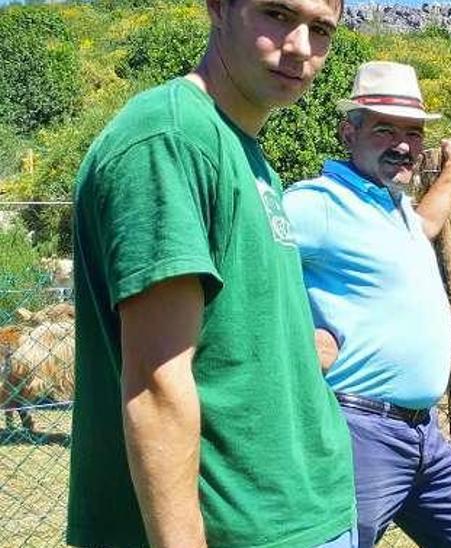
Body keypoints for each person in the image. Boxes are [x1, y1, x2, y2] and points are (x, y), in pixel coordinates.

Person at [66, 0, 357, 545]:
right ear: (218, 8)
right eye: (276, 14)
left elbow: (229, 333)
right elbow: (157, 387)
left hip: (297, 514)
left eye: (320, 29)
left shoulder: (247, 153)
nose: (299, 47)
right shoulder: (169, 140)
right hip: (239, 529)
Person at [282, 61, 451, 548]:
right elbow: (240, 267)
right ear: (349, 132)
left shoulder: (392, 206)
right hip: (359, 430)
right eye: (384, 129)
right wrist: (294, 334)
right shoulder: (315, 203)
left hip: (424, 433)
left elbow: (426, 226)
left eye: (413, 132)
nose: (403, 144)